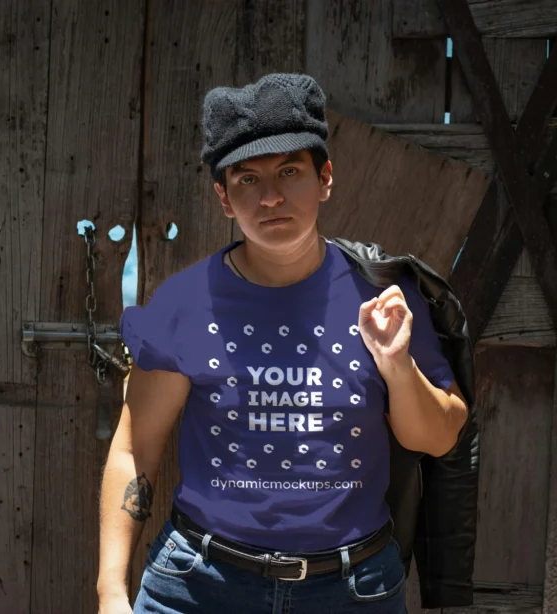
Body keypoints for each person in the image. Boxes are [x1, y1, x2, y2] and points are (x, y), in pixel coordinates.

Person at [96, 73, 473, 614]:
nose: (270, 196)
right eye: (247, 179)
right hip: (200, 588)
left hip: (352, 590)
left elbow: (439, 439)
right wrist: (111, 590)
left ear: (325, 178)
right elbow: (135, 449)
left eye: (290, 171)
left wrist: (396, 366)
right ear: (224, 198)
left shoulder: (384, 295)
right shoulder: (184, 303)